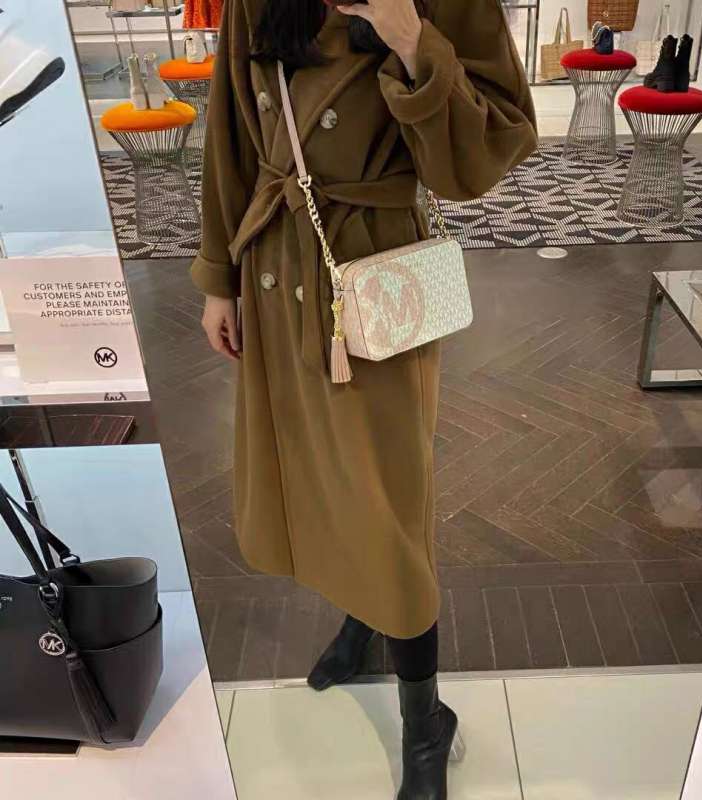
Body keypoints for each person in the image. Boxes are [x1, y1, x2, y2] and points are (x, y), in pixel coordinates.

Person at [192, 0, 537, 796]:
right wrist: (219, 279)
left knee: (388, 500)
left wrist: (411, 39)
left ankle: (426, 721)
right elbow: (230, 134)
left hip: (374, 286)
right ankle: (363, 616)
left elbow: (482, 157)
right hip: (276, 267)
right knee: (321, 480)